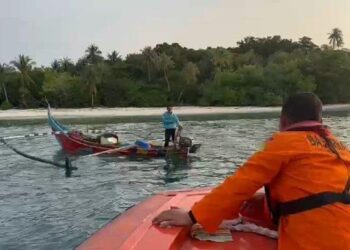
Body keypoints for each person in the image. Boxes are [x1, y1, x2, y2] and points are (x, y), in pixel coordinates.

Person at [153, 92, 350, 250]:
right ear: (320, 119)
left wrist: (192, 216)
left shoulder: (285, 143)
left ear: (283, 122)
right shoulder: (340, 148)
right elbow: (320, 192)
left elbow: (241, 183)